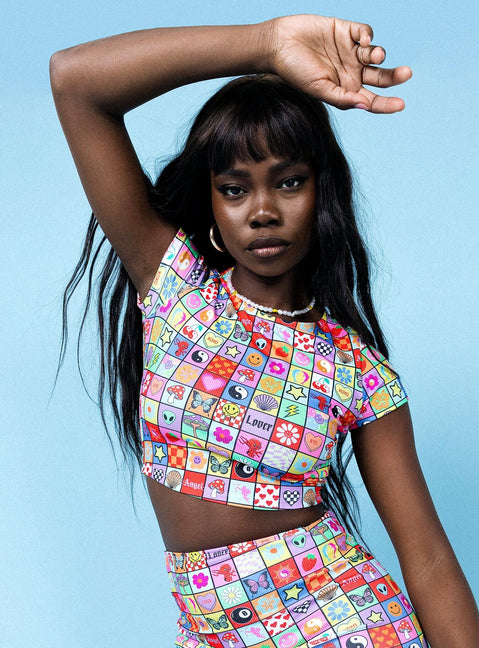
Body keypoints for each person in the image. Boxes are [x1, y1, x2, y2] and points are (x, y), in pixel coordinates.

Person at [50, 14, 478, 648]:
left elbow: (430, 560)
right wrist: (266, 45)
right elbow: (75, 81)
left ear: (322, 193)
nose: (263, 211)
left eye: (289, 181)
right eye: (234, 189)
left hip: (345, 625)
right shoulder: (177, 292)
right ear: (213, 204)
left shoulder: (357, 370)